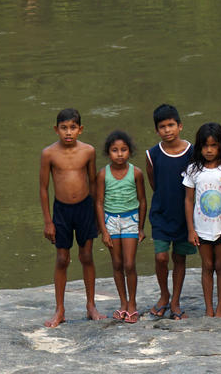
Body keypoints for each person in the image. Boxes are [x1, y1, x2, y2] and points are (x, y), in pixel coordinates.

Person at [38, 108, 104, 327]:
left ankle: (91, 305)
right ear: (56, 130)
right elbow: (43, 188)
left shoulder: (88, 151)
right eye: (64, 128)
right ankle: (60, 309)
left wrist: (97, 213)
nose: (68, 132)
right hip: (62, 210)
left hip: (84, 208)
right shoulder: (49, 153)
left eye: (73, 128)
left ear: (80, 129)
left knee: (86, 256)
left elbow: (93, 182)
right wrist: (48, 221)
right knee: (62, 259)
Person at [183, 122, 221, 318]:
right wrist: (191, 230)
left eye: (213, 145)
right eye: (205, 146)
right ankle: (208, 309)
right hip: (201, 228)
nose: (209, 150)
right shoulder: (193, 170)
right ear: (199, 147)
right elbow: (189, 200)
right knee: (207, 266)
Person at [145, 104, 194, 320]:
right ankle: (164, 295)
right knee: (161, 256)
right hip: (161, 214)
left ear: (180, 126)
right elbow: (154, 183)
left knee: (179, 258)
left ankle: (175, 301)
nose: (167, 130)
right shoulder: (152, 154)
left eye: (171, 125)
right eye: (162, 127)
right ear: (157, 130)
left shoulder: (192, 152)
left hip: (185, 215)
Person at [94, 129, 147, 323]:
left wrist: (140, 227)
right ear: (109, 153)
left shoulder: (136, 173)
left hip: (130, 220)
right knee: (116, 264)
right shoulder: (103, 174)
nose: (119, 154)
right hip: (111, 221)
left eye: (123, 150)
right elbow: (98, 202)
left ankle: (132, 303)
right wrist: (104, 230)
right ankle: (123, 302)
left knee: (129, 263)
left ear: (129, 152)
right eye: (115, 150)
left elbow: (142, 200)